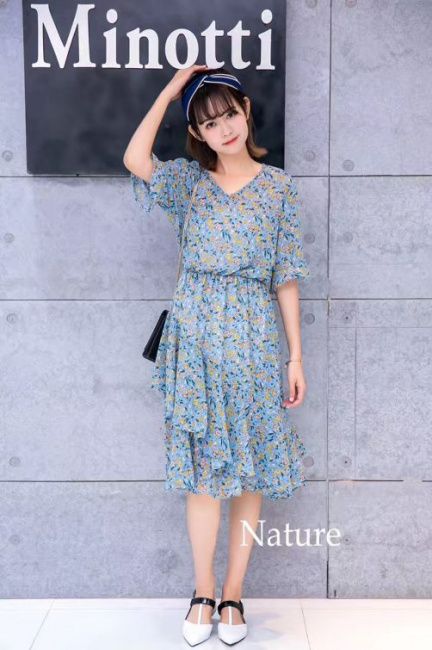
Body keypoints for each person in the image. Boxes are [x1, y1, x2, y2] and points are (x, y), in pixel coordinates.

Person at [123, 64, 311, 646]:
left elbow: (286, 277)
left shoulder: (278, 188)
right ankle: (202, 590)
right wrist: (170, 91)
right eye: (208, 122)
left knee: (248, 472)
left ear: (246, 112)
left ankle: (233, 594)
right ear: (197, 133)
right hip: (197, 339)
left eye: (229, 114)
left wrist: (295, 358)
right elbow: (135, 158)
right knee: (204, 475)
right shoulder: (189, 184)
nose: (223, 128)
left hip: (254, 340)